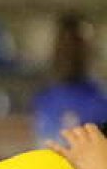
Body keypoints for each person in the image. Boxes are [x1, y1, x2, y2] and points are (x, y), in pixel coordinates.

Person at [33, 13, 107, 146]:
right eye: (64, 45)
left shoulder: (101, 100)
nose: (69, 54)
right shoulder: (43, 97)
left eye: (76, 46)